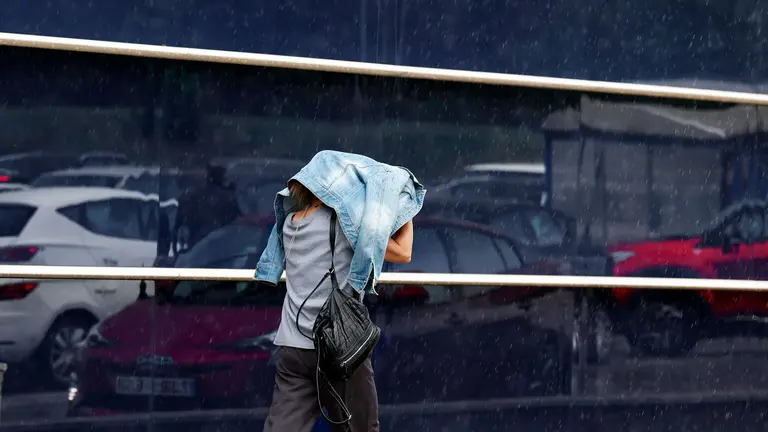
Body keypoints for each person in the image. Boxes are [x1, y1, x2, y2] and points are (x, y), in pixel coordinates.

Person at [261, 180, 413, 432]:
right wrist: (405, 206)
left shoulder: (289, 223)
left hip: (294, 347)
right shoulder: (348, 223)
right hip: (340, 346)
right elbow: (403, 252)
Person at [172, 163, 241, 252]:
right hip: (221, 250)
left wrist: (176, 252)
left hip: (197, 248)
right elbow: (240, 221)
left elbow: (176, 228)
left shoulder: (192, 197)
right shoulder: (228, 197)